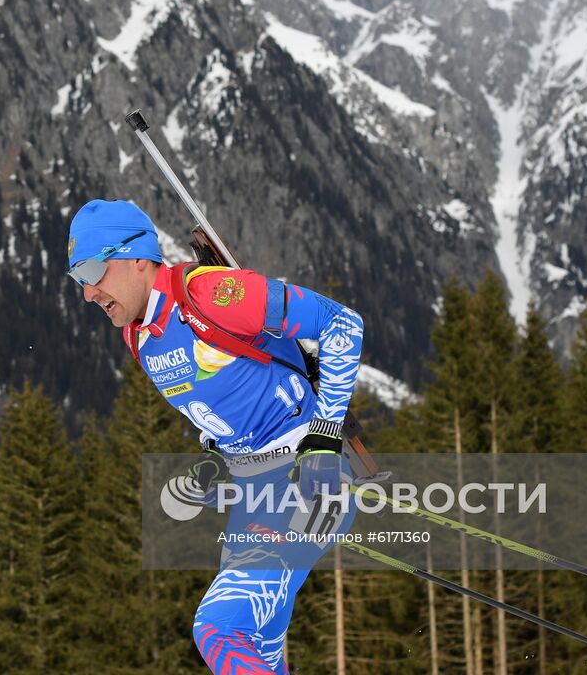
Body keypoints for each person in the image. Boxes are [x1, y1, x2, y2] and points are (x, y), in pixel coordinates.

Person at [68, 198, 365, 675]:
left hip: (308, 480)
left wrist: (326, 437)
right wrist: (212, 460)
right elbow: (222, 407)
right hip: (253, 498)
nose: (88, 293)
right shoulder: (138, 336)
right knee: (259, 649)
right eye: (77, 278)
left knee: (219, 630)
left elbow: (341, 323)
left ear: (137, 257)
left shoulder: (208, 295)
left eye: (92, 271)